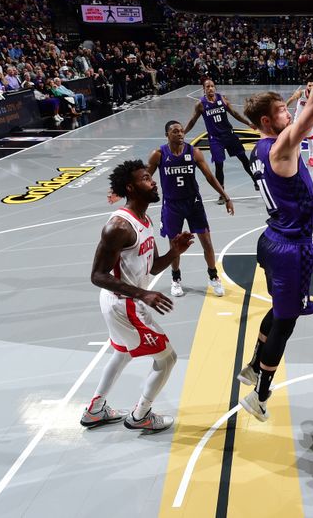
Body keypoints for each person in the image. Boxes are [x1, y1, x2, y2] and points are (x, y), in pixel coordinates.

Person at [235, 17, 313, 422]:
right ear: (268, 123)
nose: (290, 113)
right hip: (290, 250)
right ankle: (260, 394)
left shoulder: (260, 148)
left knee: (278, 309)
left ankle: (253, 363)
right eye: (283, 110)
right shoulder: (281, 147)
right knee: (286, 322)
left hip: (273, 236)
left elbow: (282, 191)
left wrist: (308, 212)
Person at [81, 160, 194, 432]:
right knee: (167, 358)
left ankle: (95, 410)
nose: (152, 181)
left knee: (122, 353)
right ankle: (141, 415)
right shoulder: (118, 226)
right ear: (131, 188)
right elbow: (97, 275)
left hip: (126, 301)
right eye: (146, 178)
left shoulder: (145, 219)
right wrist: (143, 293)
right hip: (125, 304)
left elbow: (152, 266)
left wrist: (173, 253)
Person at [147, 120, 234, 297]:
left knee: (207, 242)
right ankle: (176, 278)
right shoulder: (158, 155)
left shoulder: (193, 152)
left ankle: (213, 277)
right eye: (175, 131)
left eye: (181, 131)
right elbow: (145, 178)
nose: (180, 134)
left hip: (194, 203)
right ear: (167, 135)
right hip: (172, 205)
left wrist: (226, 196)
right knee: (174, 245)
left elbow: (209, 176)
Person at [184, 78, 258, 203]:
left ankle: (255, 180)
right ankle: (222, 193)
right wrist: (184, 132)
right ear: (204, 89)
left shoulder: (222, 99)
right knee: (219, 165)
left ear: (215, 88)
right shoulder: (201, 104)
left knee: (243, 158)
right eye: (207, 87)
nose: (210, 88)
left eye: (212, 86)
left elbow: (234, 113)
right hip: (215, 139)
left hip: (229, 135)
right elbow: (192, 121)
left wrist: (248, 123)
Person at [286, 80, 313, 167]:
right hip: (298, 121)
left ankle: (311, 158)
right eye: (309, 85)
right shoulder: (300, 94)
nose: (311, 87)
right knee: (298, 140)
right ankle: (299, 158)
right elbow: (290, 101)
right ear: (307, 86)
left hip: (309, 121)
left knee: (310, 139)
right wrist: (284, 110)